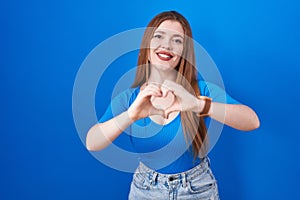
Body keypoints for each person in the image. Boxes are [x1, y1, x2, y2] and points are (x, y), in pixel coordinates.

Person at [86, 11, 260, 200]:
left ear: (184, 53)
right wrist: (131, 115)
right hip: (145, 191)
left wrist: (197, 105)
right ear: (147, 46)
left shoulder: (201, 90)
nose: (167, 45)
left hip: (197, 190)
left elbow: (251, 121)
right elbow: (92, 142)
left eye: (177, 40)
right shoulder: (129, 98)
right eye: (159, 36)